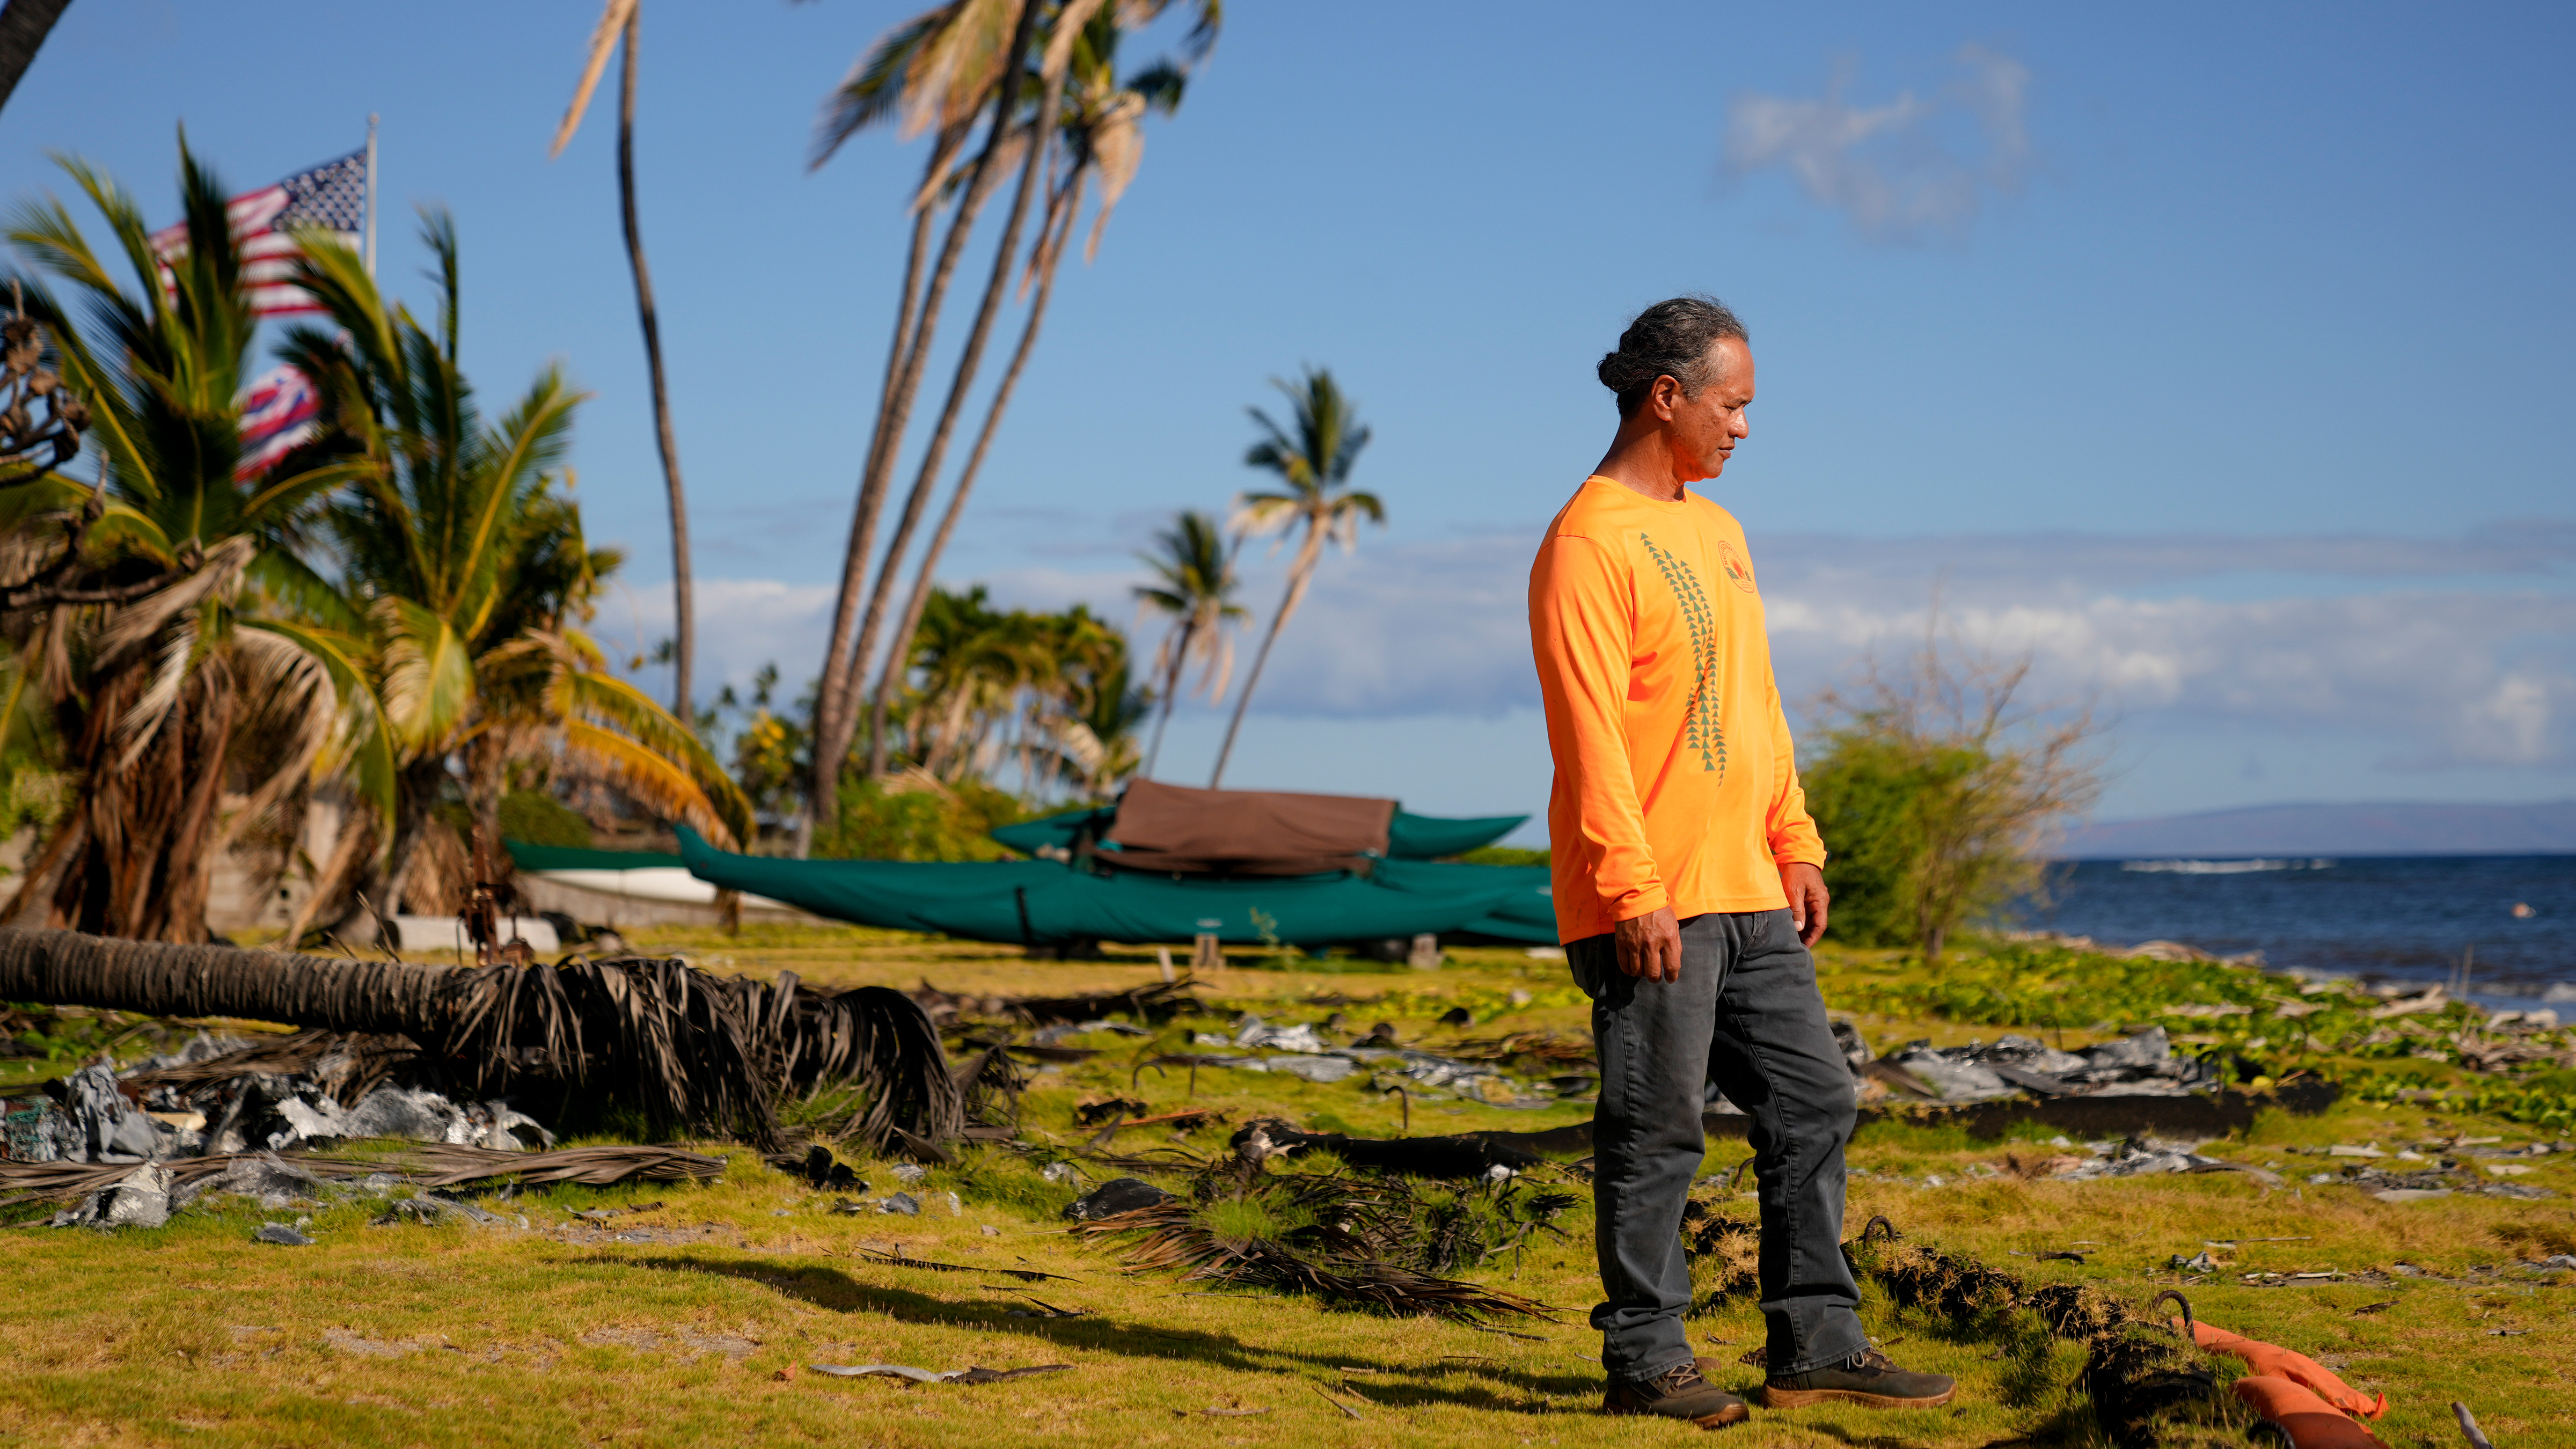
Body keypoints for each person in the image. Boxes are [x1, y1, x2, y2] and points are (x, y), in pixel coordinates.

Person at [1526, 296, 1957, 1427]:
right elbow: (1591, 737)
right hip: (1651, 899)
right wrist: (1632, 888)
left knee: (1815, 1098)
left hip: (1752, 893)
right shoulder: (1587, 541)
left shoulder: (1718, 534)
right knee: (1656, 1129)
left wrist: (1795, 842)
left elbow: (1753, 708)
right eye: (1734, 405)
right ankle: (1646, 1361)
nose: (1745, 430)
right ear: (1668, 399)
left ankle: (1816, 1340)